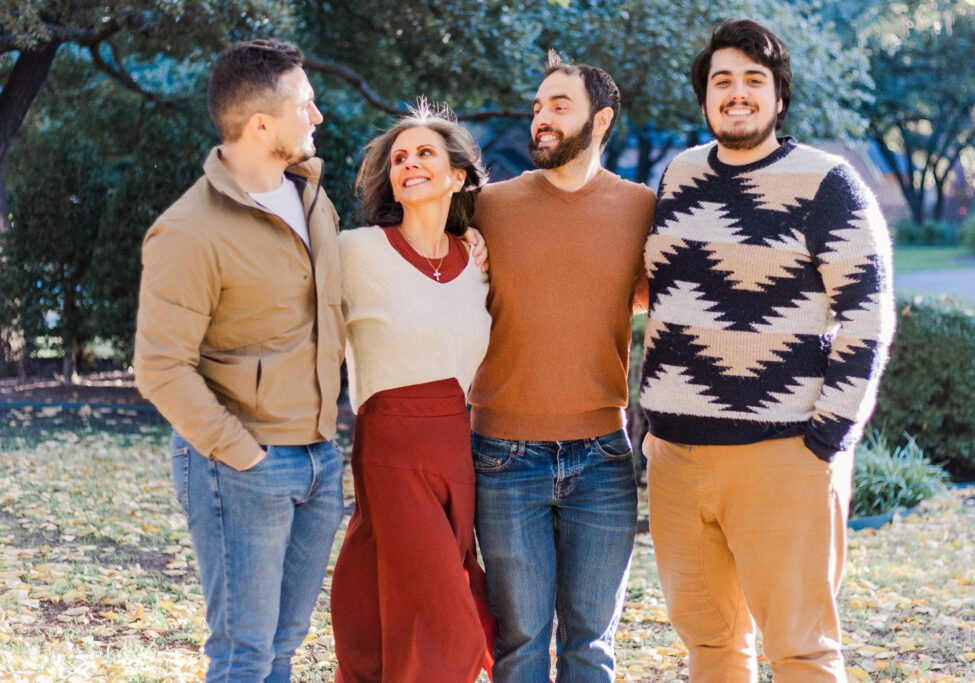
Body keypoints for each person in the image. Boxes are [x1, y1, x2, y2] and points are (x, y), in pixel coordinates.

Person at [641, 19, 895, 682]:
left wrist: (828, 438)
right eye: (722, 80)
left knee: (802, 652)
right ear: (704, 99)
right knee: (712, 647)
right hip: (677, 459)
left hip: (783, 457)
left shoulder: (827, 182)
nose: (738, 93)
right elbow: (660, 292)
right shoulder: (680, 175)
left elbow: (866, 317)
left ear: (779, 97)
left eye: (755, 80)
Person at [134, 39, 348, 681]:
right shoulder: (189, 231)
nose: (317, 117)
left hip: (319, 458)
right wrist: (242, 454)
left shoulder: (313, 200)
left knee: (282, 647)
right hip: (243, 463)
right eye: (305, 105)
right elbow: (160, 367)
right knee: (243, 654)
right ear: (261, 124)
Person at [468, 52, 656, 681]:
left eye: (559, 106)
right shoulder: (488, 207)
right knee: (520, 642)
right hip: (502, 457)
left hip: (602, 456)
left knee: (591, 644)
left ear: (601, 119)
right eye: (537, 107)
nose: (541, 119)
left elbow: (679, 300)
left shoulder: (641, 209)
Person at [329, 104, 495, 683]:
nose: (410, 164)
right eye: (399, 158)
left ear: (458, 175)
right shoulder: (355, 251)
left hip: (458, 450)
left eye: (426, 153)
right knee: (451, 627)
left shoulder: (479, 261)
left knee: (393, 617)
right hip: (390, 448)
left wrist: (477, 238)